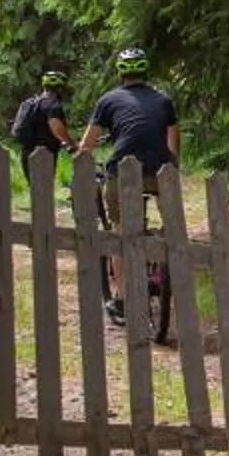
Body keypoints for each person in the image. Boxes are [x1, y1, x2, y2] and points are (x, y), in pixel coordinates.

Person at [74, 48, 180, 328]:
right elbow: (173, 145)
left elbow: (88, 145)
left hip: (123, 171)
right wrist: (171, 171)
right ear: (145, 73)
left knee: (120, 232)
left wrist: (80, 158)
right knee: (171, 227)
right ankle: (165, 273)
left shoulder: (108, 100)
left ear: (121, 74)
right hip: (159, 171)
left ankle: (122, 298)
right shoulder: (163, 100)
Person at [7, 68, 74, 190]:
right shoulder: (53, 106)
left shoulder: (31, 103)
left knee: (34, 190)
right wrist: (71, 144)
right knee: (44, 191)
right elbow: (56, 128)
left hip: (27, 152)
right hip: (45, 154)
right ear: (60, 88)